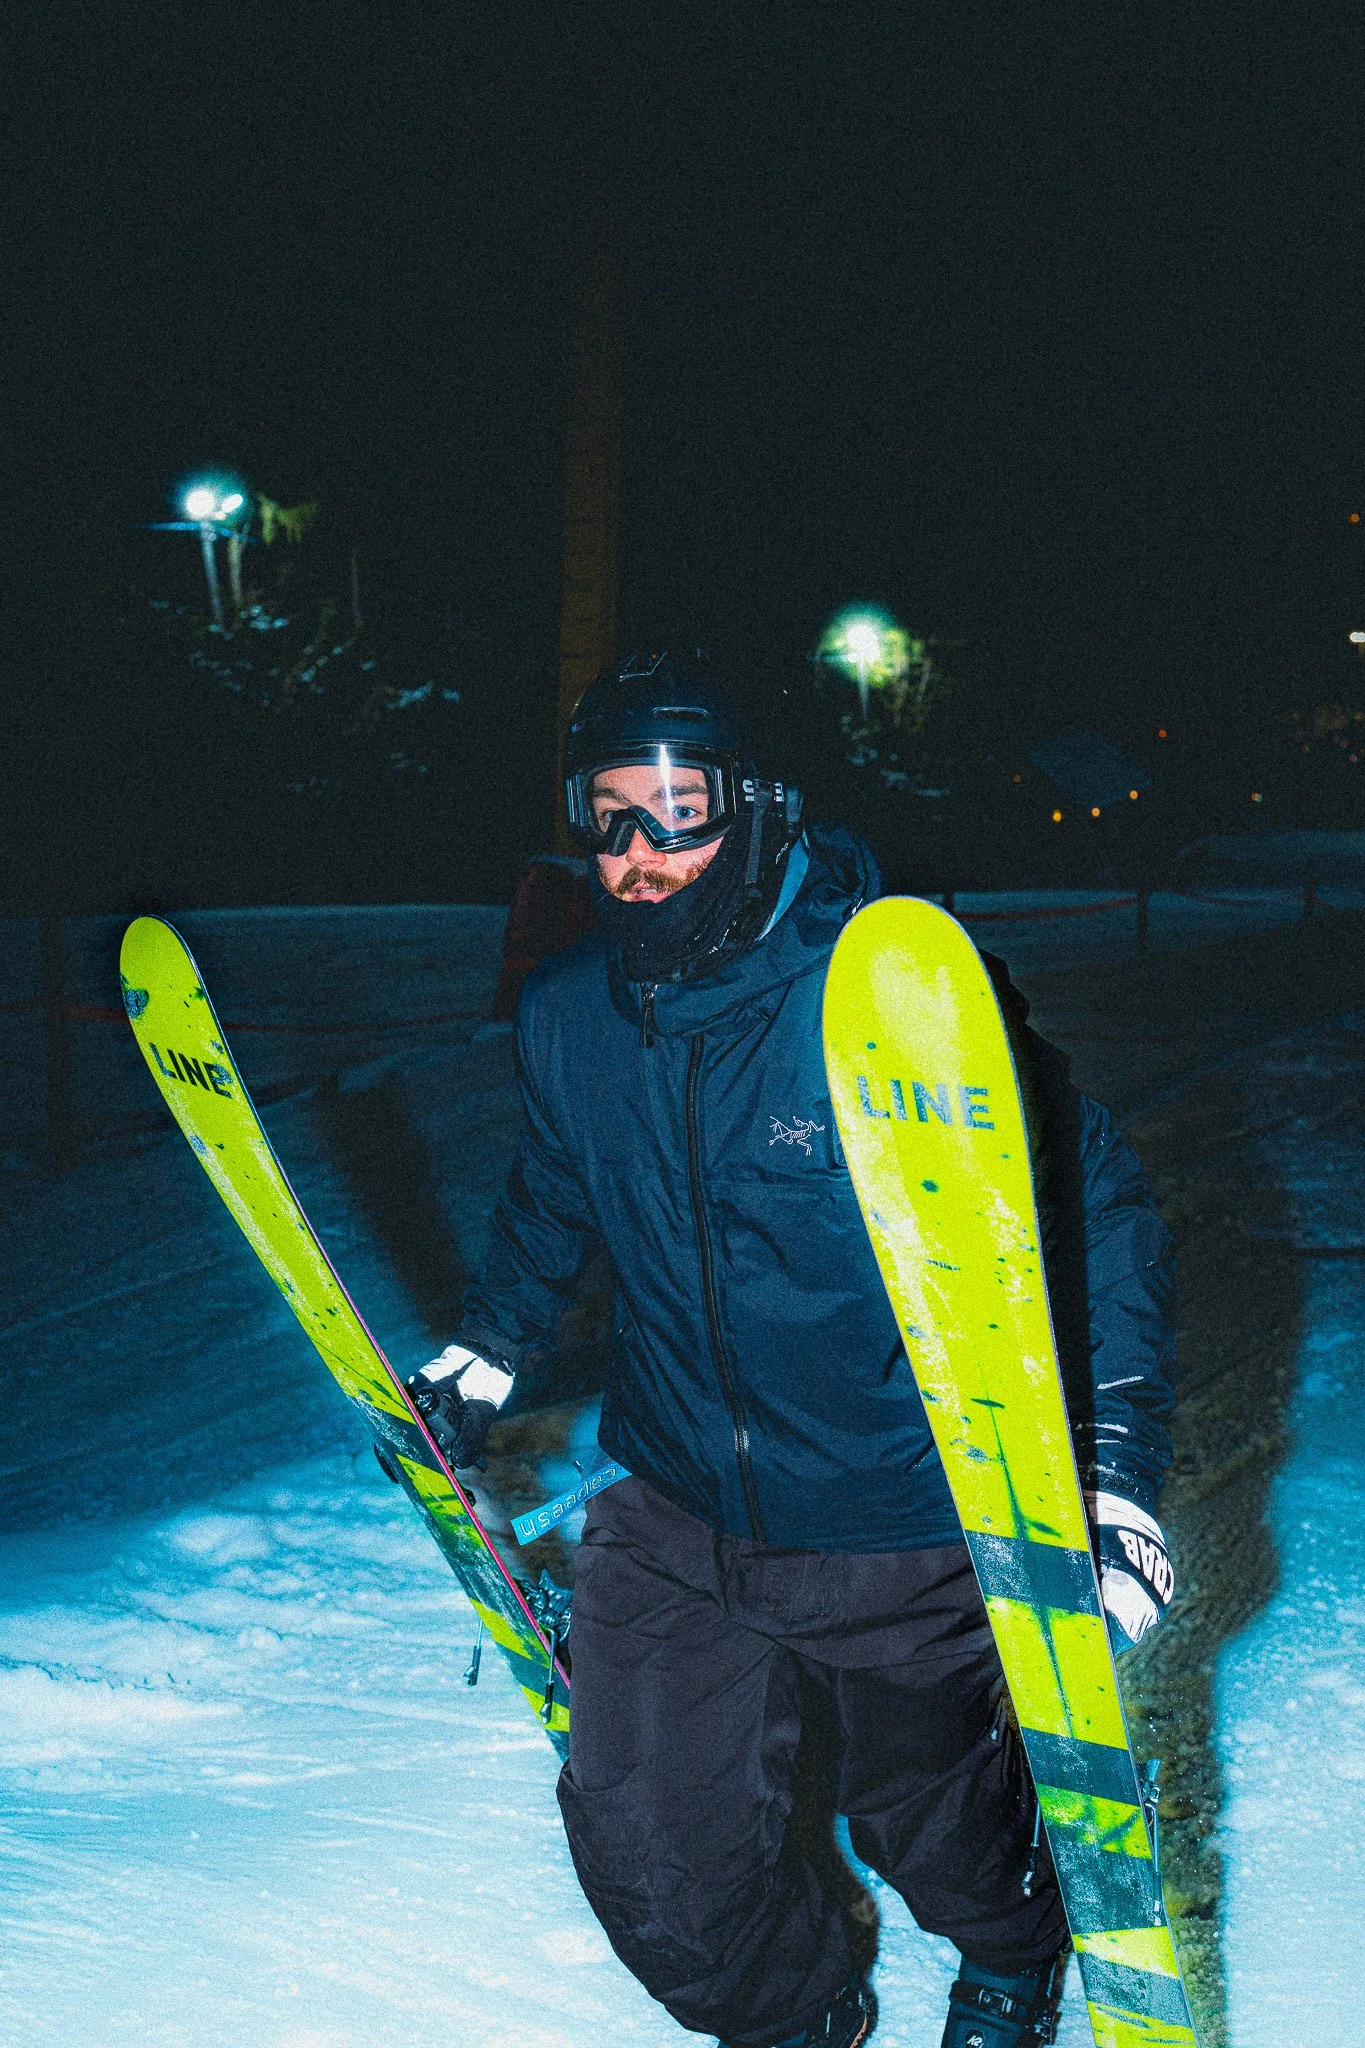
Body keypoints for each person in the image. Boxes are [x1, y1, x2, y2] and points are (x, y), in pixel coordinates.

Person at [409, 649, 1177, 2048]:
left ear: (759, 807)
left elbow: (1093, 1214)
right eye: (606, 814)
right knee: (651, 1855)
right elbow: (558, 1185)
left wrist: (1117, 1476)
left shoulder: (891, 1003)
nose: (635, 854)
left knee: (936, 1828)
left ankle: (1013, 1959)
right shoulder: (573, 1015)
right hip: (672, 1500)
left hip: (894, 1511)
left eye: (677, 808)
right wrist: (493, 1344)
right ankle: (800, 2010)